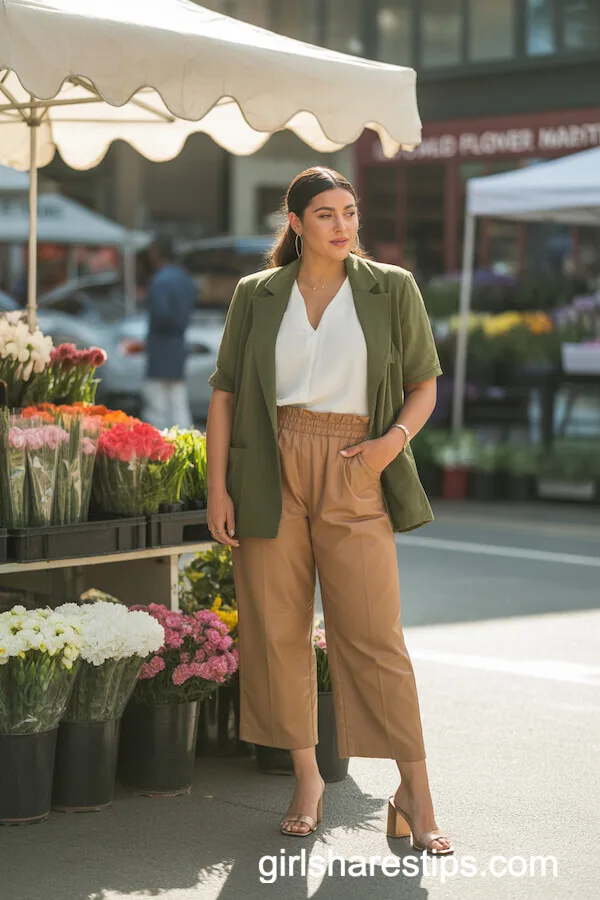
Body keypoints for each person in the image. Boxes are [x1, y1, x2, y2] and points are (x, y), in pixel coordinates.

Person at [205, 167, 453, 854]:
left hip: (355, 465)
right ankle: (308, 778)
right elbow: (225, 394)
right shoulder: (258, 295)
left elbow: (424, 384)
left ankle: (416, 791)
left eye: (350, 212)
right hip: (269, 465)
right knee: (277, 629)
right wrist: (217, 487)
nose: (343, 226)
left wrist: (388, 446)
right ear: (294, 222)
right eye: (325, 214)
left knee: (374, 633)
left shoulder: (391, 287)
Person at [142, 235, 195, 430]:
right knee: (179, 403)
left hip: (160, 346)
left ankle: (158, 452)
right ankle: (185, 449)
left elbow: (161, 314)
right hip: (178, 344)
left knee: (156, 407)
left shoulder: (159, 281)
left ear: (156, 253)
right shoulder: (185, 278)